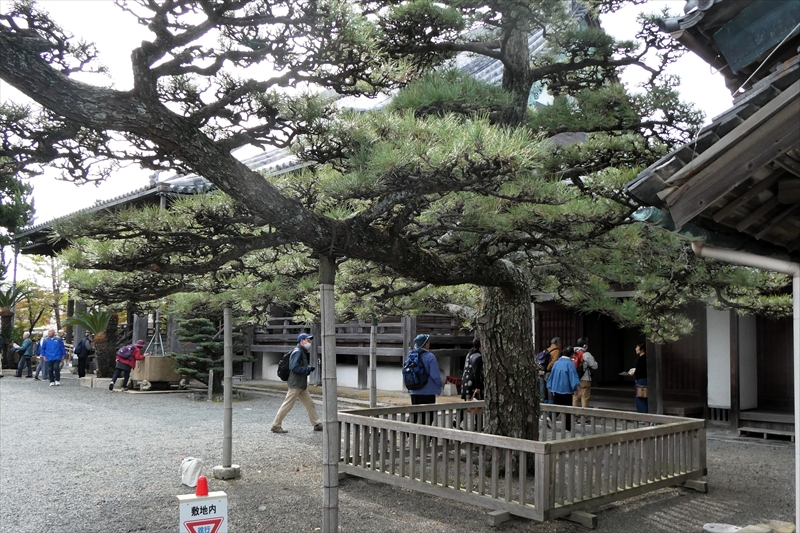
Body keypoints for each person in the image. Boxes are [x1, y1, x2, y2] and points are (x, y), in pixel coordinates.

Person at [271, 333, 323, 434]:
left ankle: (317, 424)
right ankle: (276, 426)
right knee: (287, 405)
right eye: (308, 340)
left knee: (310, 404)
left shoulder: (301, 351)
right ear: (301, 341)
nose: (309, 342)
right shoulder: (298, 352)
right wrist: (307, 369)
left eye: (310, 340)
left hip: (300, 385)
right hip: (295, 384)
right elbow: (294, 367)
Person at [547, 346, 581, 431]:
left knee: (557, 406)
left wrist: (550, 385)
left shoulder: (557, 362)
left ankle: (550, 417)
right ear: (572, 354)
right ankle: (567, 427)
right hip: (565, 389)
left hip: (555, 388)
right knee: (568, 409)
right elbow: (574, 378)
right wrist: (579, 390)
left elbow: (552, 375)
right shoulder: (570, 364)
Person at [571, 337, 598, 408]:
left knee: (575, 397)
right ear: (584, 345)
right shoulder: (586, 354)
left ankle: (575, 416)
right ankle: (585, 417)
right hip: (585, 378)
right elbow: (595, 366)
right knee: (584, 398)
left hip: (574, 378)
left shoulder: (572, 353)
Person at [629, 343, 648, 413]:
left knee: (640, 398)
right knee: (643, 398)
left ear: (642, 349)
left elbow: (642, 370)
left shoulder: (642, 359)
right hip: (643, 380)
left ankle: (643, 415)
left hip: (641, 380)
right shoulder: (644, 358)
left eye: (637, 347)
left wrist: (635, 372)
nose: (636, 349)